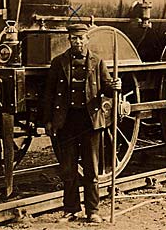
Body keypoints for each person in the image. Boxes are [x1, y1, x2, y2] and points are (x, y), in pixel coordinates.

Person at [41, 24, 121, 224]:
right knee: (68, 169)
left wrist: (115, 87)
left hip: (90, 122)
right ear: (69, 40)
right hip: (66, 122)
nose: (77, 41)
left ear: (87, 39)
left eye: (80, 38)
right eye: (73, 38)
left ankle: (92, 211)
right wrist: (48, 120)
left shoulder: (98, 62)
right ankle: (71, 210)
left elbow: (107, 89)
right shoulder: (58, 63)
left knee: (91, 169)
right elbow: (49, 94)